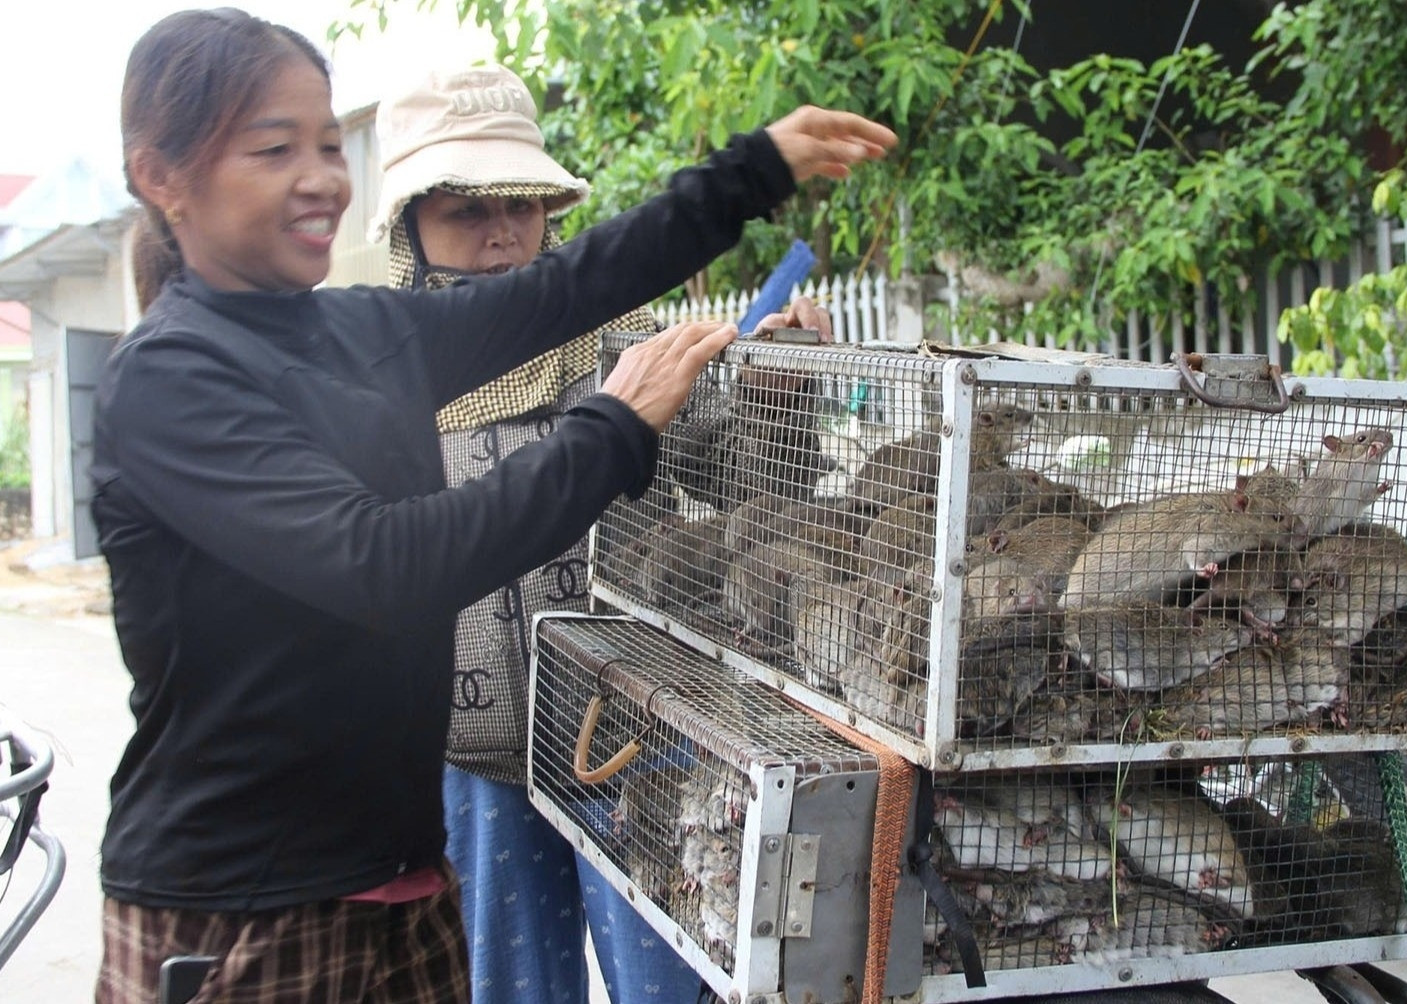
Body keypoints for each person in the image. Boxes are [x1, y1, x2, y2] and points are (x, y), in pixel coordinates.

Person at [89, 8, 893, 1004]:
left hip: (404, 876)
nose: (319, 176)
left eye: (329, 144)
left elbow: (563, 289)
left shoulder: (357, 330)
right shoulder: (173, 377)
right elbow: (386, 566)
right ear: (162, 178)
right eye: (273, 148)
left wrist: (752, 170)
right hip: (247, 909)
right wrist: (610, 426)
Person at [368, 64, 834, 1004]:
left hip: (637, 738)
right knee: (510, 988)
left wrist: (786, 397)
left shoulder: (633, 347)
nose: (503, 236)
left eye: (525, 207)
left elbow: (744, 485)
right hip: (467, 758)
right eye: (466, 210)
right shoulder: (377, 382)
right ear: (410, 226)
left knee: (667, 982)